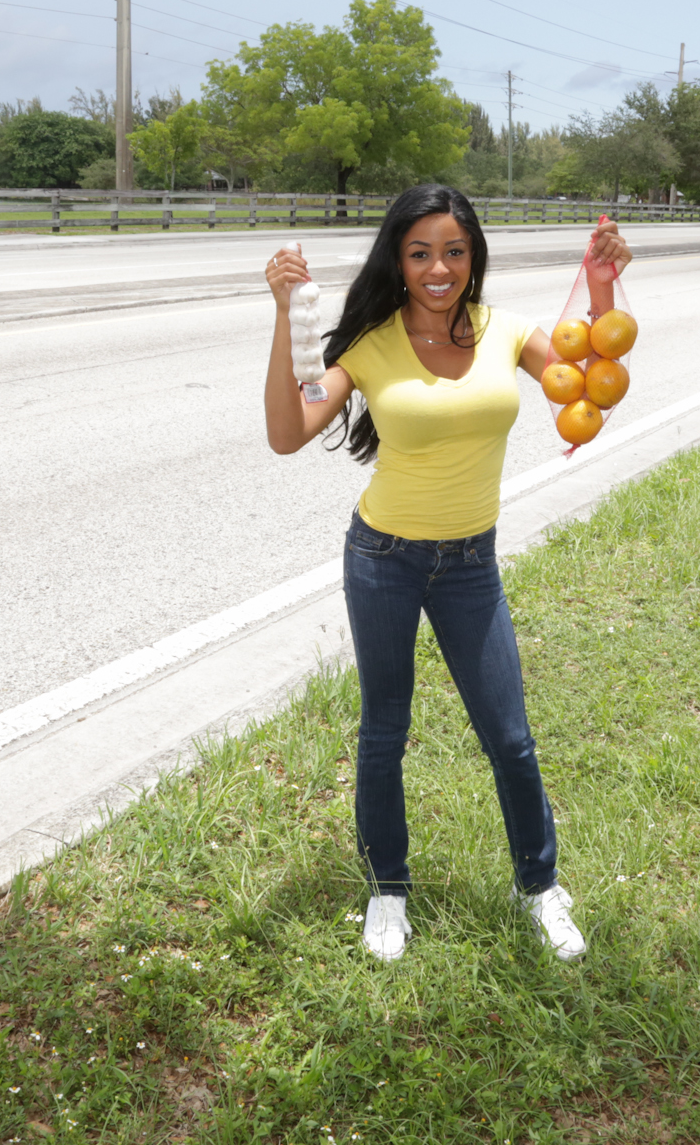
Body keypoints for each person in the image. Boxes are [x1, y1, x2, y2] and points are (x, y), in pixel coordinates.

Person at [262, 183, 632, 962]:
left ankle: (540, 885)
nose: (439, 268)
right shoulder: (371, 343)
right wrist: (284, 314)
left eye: (454, 251)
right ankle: (387, 889)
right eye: (421, 252)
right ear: (398, 260)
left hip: (471, 563)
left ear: (474, 256)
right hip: (383, 560)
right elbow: (289, 431)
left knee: (511, 736)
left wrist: (601, 288)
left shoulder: (508, 332)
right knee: (384, 730)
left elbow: (587, 384)